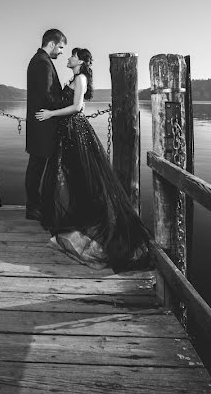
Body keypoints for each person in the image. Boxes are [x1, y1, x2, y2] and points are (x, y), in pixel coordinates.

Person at [34, 48, 149, 271]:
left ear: (81, 61)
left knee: (81, 174)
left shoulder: (81, 78)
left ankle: (86, 219)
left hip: (75, 130)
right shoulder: (75, 78)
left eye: (72, 56)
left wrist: (50, 114)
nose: (68, 58)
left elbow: (77, 107)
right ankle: (75, 215)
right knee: (70, 175)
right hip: (67, 131)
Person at [25, 28, 68, 221]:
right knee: (37, 168)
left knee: (37, 167)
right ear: (51, 44)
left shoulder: (40, 60)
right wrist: (68, 103)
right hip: (42, 127)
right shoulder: (42, 63)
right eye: (60, 47)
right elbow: (47, 97)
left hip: (40, 125)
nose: (61, 51)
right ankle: (34, 208)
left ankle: (36, 206)